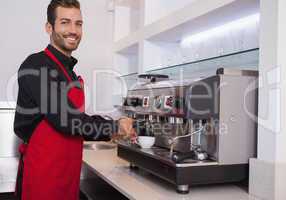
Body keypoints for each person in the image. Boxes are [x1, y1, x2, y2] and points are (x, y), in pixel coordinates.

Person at [13, 0, 135, 199]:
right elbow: (68, 119)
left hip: (67, 172)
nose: (73, 30)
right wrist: (114, 127)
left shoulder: (69, 72)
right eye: (65, 22)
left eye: (78, 24)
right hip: (43, 175)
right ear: (49, 27)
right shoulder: (36, 65)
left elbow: (76, 118)